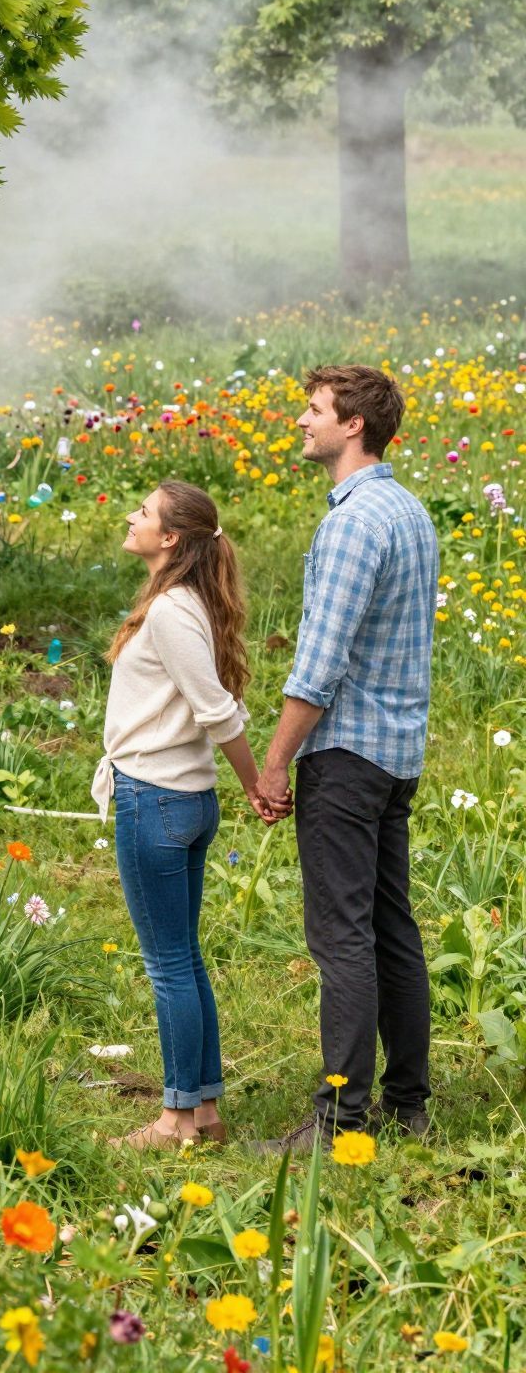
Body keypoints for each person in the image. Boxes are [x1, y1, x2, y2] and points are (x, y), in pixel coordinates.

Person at [257, 364, 439, 1149]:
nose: (302, 420)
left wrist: (271, 766)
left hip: (347, 755)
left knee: (342, 937)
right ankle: (408, 1103)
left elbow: (319, 665)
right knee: (391, 929)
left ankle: (338, 1120)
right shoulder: (410, 511)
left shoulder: (354, 522)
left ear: (353, 425)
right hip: (397, 754)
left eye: (314, 409)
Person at [93, 477, 276, 1150]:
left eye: (142, 511)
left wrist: (257, 784)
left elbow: (216, 710)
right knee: (184, 959)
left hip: (157, 800)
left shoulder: (172, 611)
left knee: (169, 965)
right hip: (186, 801)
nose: (130, 515)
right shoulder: (187, 602)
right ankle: (204, 1112)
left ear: (170, 538)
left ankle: (175, 1121)